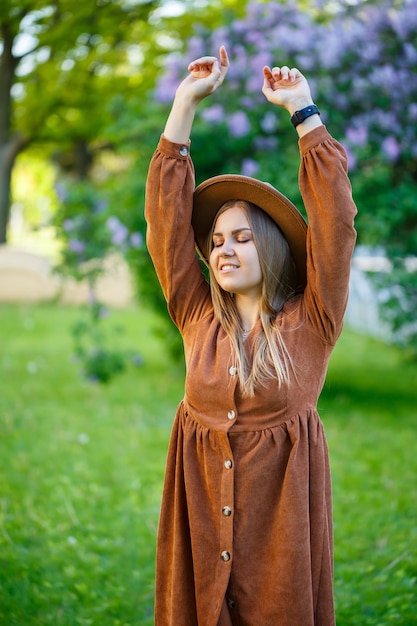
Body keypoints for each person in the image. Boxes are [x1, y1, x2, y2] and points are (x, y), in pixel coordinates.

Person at [145, 45, 357, 626]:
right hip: (201, 523)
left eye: (240, 238)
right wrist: (185, 101)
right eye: (215, 241)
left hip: (277, 543)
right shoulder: (197, 316)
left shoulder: (312, 320)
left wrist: (303, 113)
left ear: (268, 245)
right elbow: (166, 226)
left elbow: (335, 226)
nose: (223, 250)